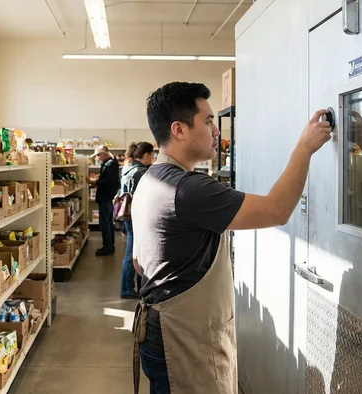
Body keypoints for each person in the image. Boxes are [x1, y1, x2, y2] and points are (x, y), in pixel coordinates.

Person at [131, 81, 331, 394]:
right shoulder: (187, 188)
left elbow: (140, 262)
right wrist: (304, 149)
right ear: (179, 129)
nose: (216, 131)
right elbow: (277, 210)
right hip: (183, 342)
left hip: (161, 331)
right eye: (208, 121)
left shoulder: (152, 179)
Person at [119, 141, 154, 299]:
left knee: (131, 251)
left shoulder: (128, 168)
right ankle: (126, 288)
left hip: (127, 215)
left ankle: (129, 287)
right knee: (133, 254)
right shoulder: (140, 172)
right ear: (146, 155)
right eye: (152, 155)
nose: (153, 158)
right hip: (136, 216)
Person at [92, 145, 119, 256]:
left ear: (105, 154)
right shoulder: (109, 163)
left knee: (105, 223)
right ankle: (109, 245)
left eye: (99, 155)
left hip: (106, 197)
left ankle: (108, 247)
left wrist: (95, 182)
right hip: (106, 197)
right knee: (107, 223)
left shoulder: (111, 163)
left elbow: (108, 181)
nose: (98, 157)